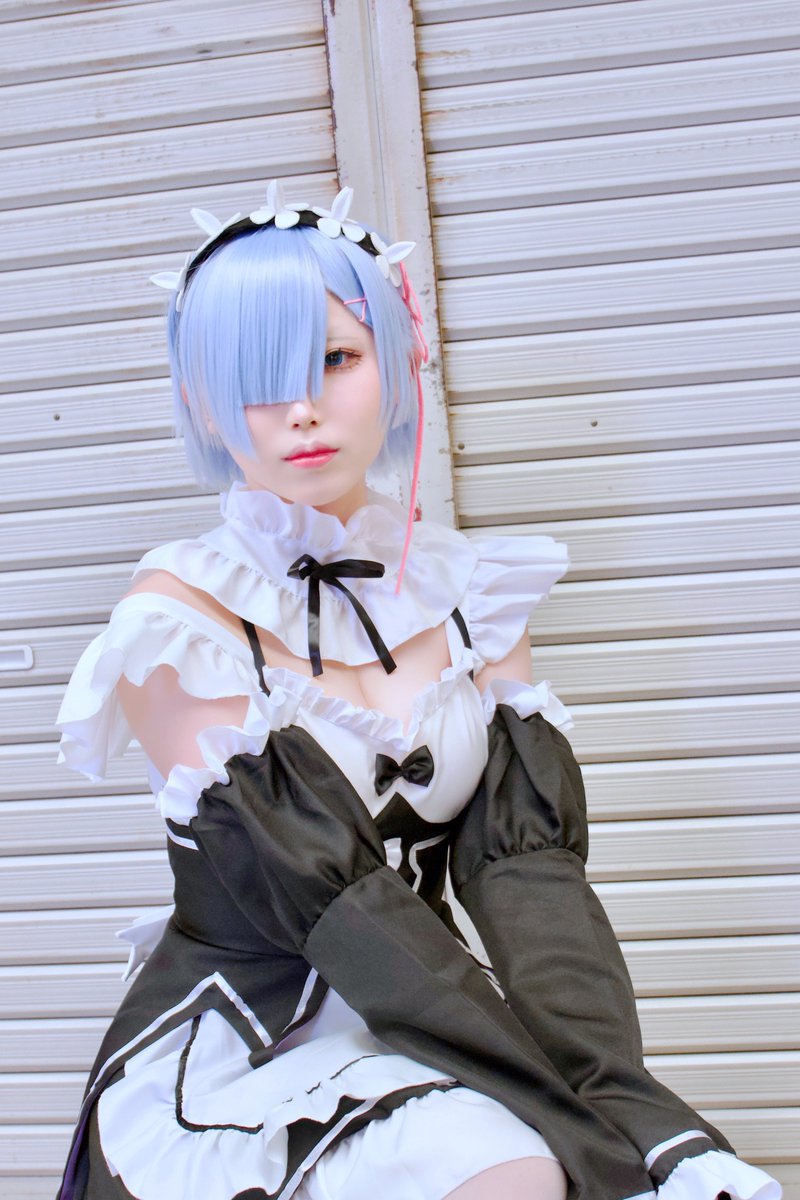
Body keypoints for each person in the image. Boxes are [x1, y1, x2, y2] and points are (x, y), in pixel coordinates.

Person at [54, 182, 781, 1200]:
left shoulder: (470, 593)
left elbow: (528, 880)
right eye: (256, 379)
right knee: (511, 1166)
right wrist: (581, 1130)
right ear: (201, 403)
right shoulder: (179, 623)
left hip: (435, 1019)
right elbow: (332, 897)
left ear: (398, 364)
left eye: (336, 360)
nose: (301, 408)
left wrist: (632, 1112)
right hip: (250, 1047)